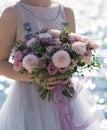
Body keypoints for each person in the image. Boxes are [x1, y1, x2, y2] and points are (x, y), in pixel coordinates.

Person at [0, 0, 105, 130]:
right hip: (30, 101)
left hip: (64, 96)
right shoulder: (13, 13)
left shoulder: (66, 12)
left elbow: (71, 57)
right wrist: (35, 77)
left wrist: (67, 71)